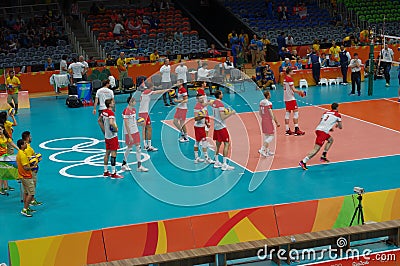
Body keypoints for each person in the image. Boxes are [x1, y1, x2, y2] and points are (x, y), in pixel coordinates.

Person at [299, 103, 342, 170]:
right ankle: (303, 161)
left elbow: (322, 121)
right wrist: (337, 125)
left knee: (330, 140)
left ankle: (323, 156)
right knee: (316, 149)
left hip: (318, 129)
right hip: (323, 132)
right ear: (337, 108)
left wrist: (329, 127)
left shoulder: (326, 112)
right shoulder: (338, 115)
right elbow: (340, 127)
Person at [139, 83, 170, 151]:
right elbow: (157, 92)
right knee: (148, 128)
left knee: (144, 129)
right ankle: (148, 146)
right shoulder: (148, 92)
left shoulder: (143, 92)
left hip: (141, 113)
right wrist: (167, 90)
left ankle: (144, 145)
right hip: (144, 113)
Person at [121, 96, 148, 172]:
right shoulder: (125, 111)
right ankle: (124, 164)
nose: (135, 102)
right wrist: (129, 135)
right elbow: (126, 124)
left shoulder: (134, 110)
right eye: (134, 101)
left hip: (135, 131)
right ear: (130, 102)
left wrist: (139, 123)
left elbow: (133, 121)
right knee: (129, 148)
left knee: (138, 147)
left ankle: (139, 166)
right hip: (129, 132)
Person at [212, 90, 235, 170]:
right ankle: (224, 164)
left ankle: (216, 162)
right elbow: (222, 117)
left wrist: (226, 111)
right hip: (221, 127)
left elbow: (219, 114)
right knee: (226, 144)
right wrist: (231, 113)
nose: (223, 94)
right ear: (219, 95)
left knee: (217, 145)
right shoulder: (220, 104)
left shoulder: (214, 103)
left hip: (216, 126)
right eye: (222, 93)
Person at [101, 99, 122, 178]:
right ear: (109, 104)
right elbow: (111, 123)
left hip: (107, 136)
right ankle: (113, 173)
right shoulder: (110, 113)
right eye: (113, 102)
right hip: (112, 136)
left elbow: (99, 121)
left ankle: (105, 171)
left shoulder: (104, 112)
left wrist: (104, 130)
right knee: (114, 154)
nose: (114, 103)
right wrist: (116, 129)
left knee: (107, 153)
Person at [16, 139, 37, 217]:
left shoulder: (20, 153)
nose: (26, 144)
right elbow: (25, 167)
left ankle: (27, 207)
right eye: (25, 143)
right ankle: (24, 209)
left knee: (26, 192)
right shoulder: (23, 155)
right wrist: (33, 166)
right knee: (31, 193)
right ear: (22, 145)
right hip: (26, 176)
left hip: (22, 176)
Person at [21, 131, 42, 206]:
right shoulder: (28, 148)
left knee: (26, 190)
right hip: (31, 171)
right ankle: (28, 204)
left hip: (25, 172)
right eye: (30, 136)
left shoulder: (24, 148)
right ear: (27, 137)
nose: (31, 137)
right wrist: (37, 160)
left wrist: (35, 156)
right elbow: (30, 161)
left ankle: (30, 202)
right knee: (31, 189)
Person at [283, 67, 305, 136]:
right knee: (296, 112)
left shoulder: (284, 79)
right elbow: (293, 89)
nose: (293, 72)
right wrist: (300, 92)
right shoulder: (290, 79)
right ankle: (296, 129)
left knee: (288, 113)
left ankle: (287, 130)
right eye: (292, 71)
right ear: (289, 72)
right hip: (291, 98)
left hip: (286, 98)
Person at [193, 93, 214, 164]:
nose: (202, 99)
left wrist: (206, 123)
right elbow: (196, 118)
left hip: (201, 126)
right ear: (197, 99)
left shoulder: (202, 106)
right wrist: (202, 116)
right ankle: (207, 158)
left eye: (202, 98)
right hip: (199, 127)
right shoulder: (197, 107)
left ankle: (196, 158)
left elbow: (203, 116)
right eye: (200, 98)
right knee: (203, 142)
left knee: (197, 141)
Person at [259, 91, 280, 157]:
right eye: (270, 94)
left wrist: (264, 117)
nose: (270, 95)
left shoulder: (261, 102)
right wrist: (276, 122)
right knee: (271, 136)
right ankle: (262, 149)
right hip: (268, 121)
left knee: (267, 136)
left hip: (263, 120)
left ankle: (267, 151)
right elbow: (271, 114)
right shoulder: (269, 103)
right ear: (268, 95)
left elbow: (260, 112)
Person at [0, 125, 18, 195]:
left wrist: (19, 149)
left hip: (4, 156)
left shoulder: (6, 137)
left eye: (0, 129)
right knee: (1, 174)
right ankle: (0, 189)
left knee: (4, 172)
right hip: (0, 157)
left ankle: (5, 187)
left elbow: (11, 143)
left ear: (3, 130)